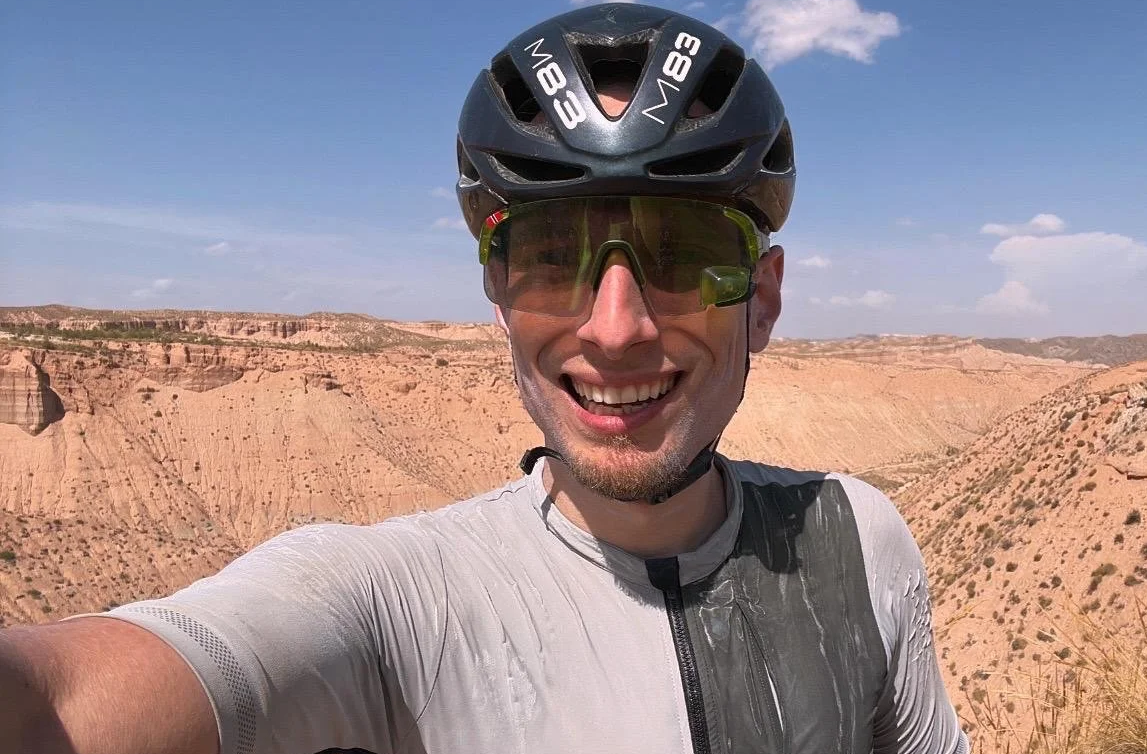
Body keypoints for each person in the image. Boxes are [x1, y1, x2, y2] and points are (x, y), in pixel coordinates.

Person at [0, 4, 969, 753]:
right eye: (550, 255)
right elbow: (64, 702)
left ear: (761, 299)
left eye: (682, 252)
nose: (615, 326)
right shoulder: (386, 597)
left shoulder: (855, 539)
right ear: (499, 293)